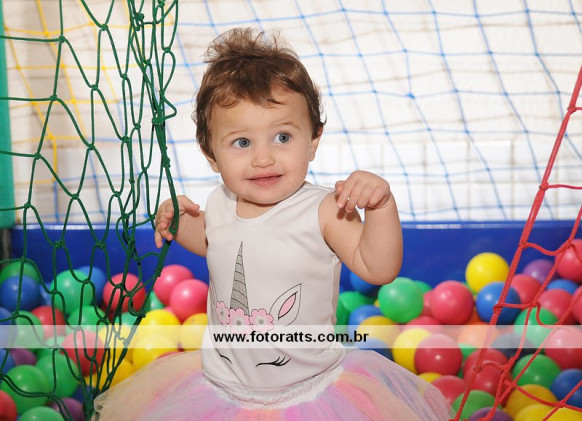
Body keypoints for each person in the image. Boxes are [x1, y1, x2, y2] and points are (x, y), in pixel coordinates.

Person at [94, 27, 450, 420]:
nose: (263, 158)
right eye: (242, 143)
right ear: (211, 154)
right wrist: (178, 222)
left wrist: (381, 206)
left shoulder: (325, 211)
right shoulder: (220, 201)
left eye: (282, 137)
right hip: (220, 391)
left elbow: (378, 268)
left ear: (313, 140)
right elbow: (215, 243)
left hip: (308, 395)